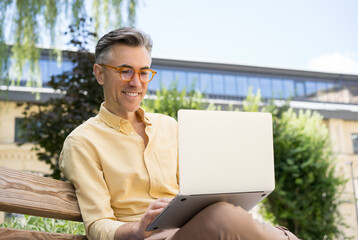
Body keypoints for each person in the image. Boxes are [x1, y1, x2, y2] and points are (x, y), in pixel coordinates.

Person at [59, 28, 300, 240]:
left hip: (193, 230)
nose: (136, 82)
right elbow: (97, 225)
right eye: (125, 71)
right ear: (99, 73)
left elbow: (199, 191)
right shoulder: (82, 143)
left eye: (144, 72)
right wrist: (137, 229)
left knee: (223, 212)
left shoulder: (169, 126)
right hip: (146, 239)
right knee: (222, 217)